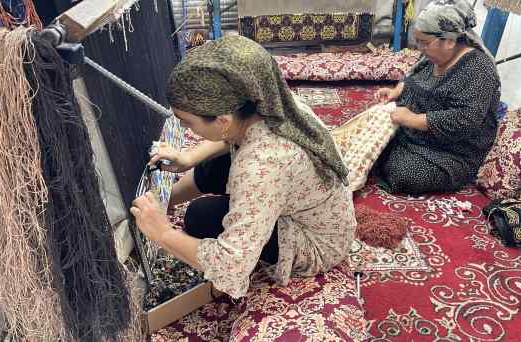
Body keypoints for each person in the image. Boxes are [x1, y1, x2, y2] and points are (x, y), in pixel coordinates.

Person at [130, 36, 356, 299]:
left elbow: (232, 265)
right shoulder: (270, 103)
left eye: (187, 123)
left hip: (316, 241)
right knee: (215, 163)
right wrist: (189, 157)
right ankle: (164, 200)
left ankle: (162, 213)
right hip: (307, 203)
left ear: (224, 120)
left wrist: (163, 233)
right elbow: (230, 140)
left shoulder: (261, 164)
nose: (185, 129)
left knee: (200, 217)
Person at [372, 0, 501, 195]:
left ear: (449, 40)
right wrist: (396, 92)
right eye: (418, 41)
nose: (420, 47)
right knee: (372, 136)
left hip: (451, 151)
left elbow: (465, 120)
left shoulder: (478, 69)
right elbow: (413, 76)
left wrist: (413, 119)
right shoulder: (434, 54)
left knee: (404, 173)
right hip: (415, 135)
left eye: (424, 42)